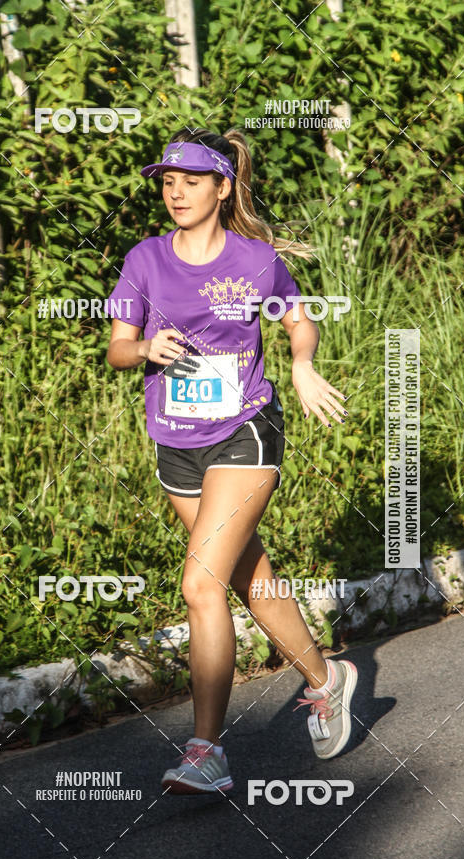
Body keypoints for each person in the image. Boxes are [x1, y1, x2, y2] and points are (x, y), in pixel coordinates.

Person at [104, 127, 357, 794]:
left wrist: (302, 365)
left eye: (191, 180)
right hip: (176, 444)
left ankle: (206, 750)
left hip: (246, 431)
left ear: (222, 187)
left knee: (199, 586)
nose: (176, 191)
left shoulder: (254, 261)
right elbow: (117, 348)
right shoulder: (145, 259)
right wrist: (145, 349)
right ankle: (328, 680)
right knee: (249, 580)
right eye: (167, 181)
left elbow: (298, 320)